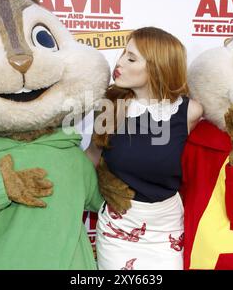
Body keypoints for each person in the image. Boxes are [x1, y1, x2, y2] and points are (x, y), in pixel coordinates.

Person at [86, 27, 203, 270]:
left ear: (158, 67)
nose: (119, 63)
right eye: (122, 54)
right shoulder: (111, 105)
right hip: (118, 230)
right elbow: (91, 158)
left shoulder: (190, 112)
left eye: (131, 58)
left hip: (167, 230)